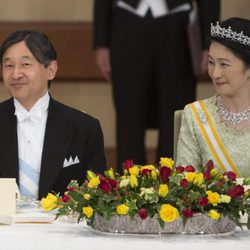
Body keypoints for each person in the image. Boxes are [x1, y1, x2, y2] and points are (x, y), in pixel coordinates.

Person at [93, 0, 220, 172]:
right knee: (128, 117)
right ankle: (128, 189)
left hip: (178, 27)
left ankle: (173, 188)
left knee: (176, 116)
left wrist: (209, 42)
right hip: (128, 23)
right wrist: (101, 42)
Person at [0, 30, 106, 200]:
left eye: (25, 65)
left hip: (62, 226)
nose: (16, 74)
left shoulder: (84, 128)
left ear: (51, 70)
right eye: (9, 66)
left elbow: (98, 197)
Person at [176, 17, 250, 177]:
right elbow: (183, 187)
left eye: (224, 64)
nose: (215, 73)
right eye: (211, 62)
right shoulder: (195, 115)